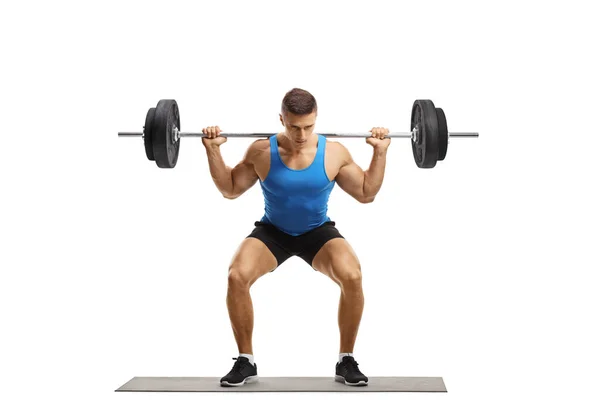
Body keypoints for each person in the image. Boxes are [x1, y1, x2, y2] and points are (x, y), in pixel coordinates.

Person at [201, 88, 390, 387]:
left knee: (352, 275)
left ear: (316, 120)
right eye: (293, 127)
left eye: (308, 127)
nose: (301, 135)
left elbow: (367, 193)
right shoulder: (262, 151)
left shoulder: (334, 153)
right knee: (237, 275)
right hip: (273, 232)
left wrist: (380, 152)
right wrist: (212, 150)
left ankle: (346, 359)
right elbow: (230, 189)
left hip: (317, 232)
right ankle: (245, 361)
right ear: (281, 120)